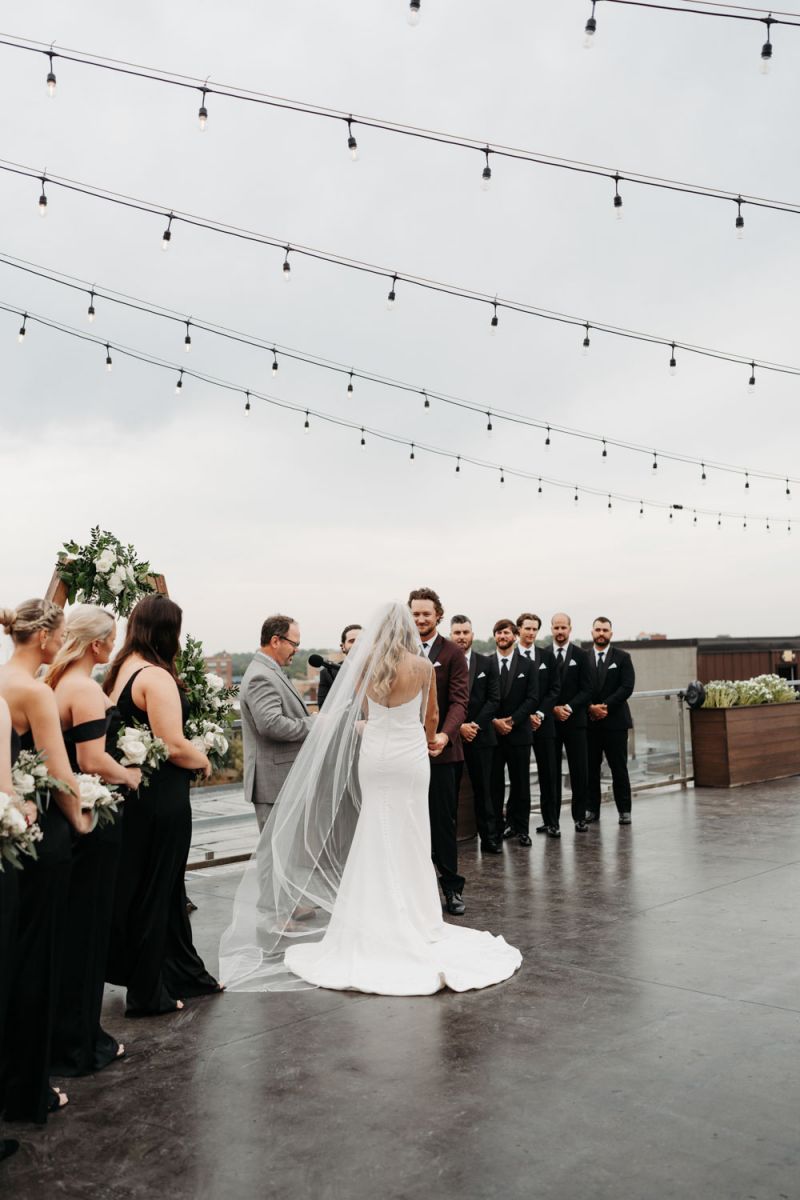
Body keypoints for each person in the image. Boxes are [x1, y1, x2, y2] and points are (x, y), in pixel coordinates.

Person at [219, 602, 521, 995]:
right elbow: (429, 718)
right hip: (409, 755)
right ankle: (416, 918)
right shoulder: (422, 667)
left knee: (372, 829)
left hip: (375, 755)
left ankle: (370, 916)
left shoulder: (365, 666)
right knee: (411, 831)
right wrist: (427, 735)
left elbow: (363, 711)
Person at [104, 595, 222, 1016]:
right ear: (167, 632)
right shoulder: (155, 676)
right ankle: (148, 991)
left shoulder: (119, 671)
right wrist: (204, 757)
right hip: (162, 797)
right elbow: (172, 744)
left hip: (135, 797)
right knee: (160, 887)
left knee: (153, 886)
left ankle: (182, 973)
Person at [0, 599, 89, 1124]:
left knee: (13, 959)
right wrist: (82, 822)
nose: (63, 642)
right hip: (39, 834)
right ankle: (28, 1089)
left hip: (10, 839)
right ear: (44, 637)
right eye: (59, 633)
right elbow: (64, 776)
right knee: (39, 961)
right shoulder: (34, 691)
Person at [45, 605, 142, 1075]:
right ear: (97, 644)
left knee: (75, 930)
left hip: (71, 819)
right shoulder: (82, 688)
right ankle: (79, 1043)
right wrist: (132, 774)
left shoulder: (59, 682)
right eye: (111, 637)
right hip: (92, 817)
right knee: (88, 929)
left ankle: (70, 1033)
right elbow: (90, 760)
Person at [409, 588, 469, 916]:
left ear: (438, 615)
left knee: (442, 822)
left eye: (426, 614)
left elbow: (460, 701)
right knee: (410, 822)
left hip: (442, 753)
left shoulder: (453, 653)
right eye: (415, 614)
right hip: (405, 753)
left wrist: (445, 735)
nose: (420, 619)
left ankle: (451, 888)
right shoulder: (400, 650)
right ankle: (415, 890)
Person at [239, 615, 314, 832]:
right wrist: (314, 724)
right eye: (294, 643)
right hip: (275, 785)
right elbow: (271, 724)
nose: (297, 649)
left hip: (283, 783)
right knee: (275, 859)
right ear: (275, 641)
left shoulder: (269, 671)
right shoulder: (260, 676)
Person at [450, 615, 501, 854]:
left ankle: (490, 839)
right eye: (457, 632)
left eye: (465, 632)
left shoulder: (487, 663)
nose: (461, 637)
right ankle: (448, 841)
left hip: (481, 737)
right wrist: (458, 726)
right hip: (451, 737)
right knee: (450, 791)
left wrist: (474, 726)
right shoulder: (445, 661)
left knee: (485, 790)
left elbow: (494, 699)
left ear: (472, 634)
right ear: (451, 634)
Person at [489, 620, 538, 846]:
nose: (502, 636)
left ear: (515, 636)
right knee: (495, 785)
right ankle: (498, 829)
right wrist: (494, 722)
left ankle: (522, 829)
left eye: (506, 632)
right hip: (494, 735)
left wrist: (513, 720)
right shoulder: (486, 663)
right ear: (495, 636)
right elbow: (481, 698)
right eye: (499, 633)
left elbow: (532, 698)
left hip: (519, 734)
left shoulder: (528, 665)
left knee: (521, 785)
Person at [585, 617, 635, 825]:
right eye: (598, 629)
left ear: (611, 634)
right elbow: (577, 687)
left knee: (619, 768)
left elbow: (627, 687)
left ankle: (624, 810)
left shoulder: (623, 657)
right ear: (592, 633)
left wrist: (605, 706)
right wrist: (590, 707)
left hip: (615, 722)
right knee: (590, 769)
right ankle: (591, 810)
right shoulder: (584, 658)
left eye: (605, 630)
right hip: (590, 722)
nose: (601, 633)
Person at [516, 613, 561, 838]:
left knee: (549, 775)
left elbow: (554, 689)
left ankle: (552, 822)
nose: (531, 633)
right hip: (519, 726)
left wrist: (541, 714)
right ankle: (516, 825)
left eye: (535, 629)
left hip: (544, 724)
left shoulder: (547, 657)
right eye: (527, 629)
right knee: (519, 777)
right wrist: (524, 717)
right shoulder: (511, 656)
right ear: (519, 630)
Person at [550, 613, 592, 834]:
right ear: (551, 629)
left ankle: (579, 817)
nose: (560, 631)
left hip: (575, 721)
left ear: (570, 629)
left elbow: (588, 689)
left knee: (579, 770)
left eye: (563, 627)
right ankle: (552, 821)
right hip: (551, 723)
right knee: (551, 772)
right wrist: (553, 709)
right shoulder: (545, 655)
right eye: (556, 627)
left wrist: (568, 708)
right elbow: (541, 690)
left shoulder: (582, 655)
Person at [317, 624, 362, 709]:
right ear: (343, 647)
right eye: (352, 641)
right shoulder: (327, 673)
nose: (357, 644)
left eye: (361, 640)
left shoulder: (382, 670)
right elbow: (324, 709)